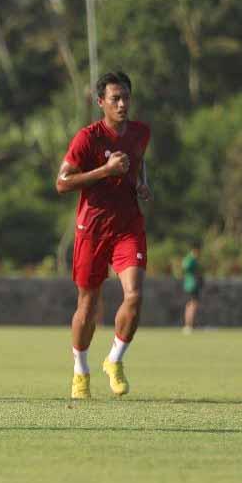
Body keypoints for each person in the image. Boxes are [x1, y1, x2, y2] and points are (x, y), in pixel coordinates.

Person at [55, 72, 152, 399]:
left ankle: (114, 359)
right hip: (93, 228)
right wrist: (104, 172)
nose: (123, 104)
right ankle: (80, 369)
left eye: (126, 97)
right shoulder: (87, 139)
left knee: (135, 296)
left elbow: (139, 163)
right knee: (89, 304)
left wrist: (141, 183)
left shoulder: (140, 133)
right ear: (101, 103)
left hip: (128, 226)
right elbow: (62, 183)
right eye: (115, 99)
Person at [181, 245, 203, 333]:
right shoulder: (191, 259)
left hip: (190, 285)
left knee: (190, 305)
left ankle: (189, 325)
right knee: (193, 305)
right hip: (192, 285)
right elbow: (185, 266)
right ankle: (190, 325)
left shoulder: (191, 259)